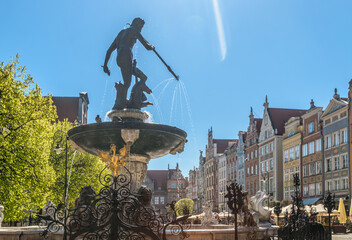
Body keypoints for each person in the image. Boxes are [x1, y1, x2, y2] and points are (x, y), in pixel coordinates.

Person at [103, 17, 154, 109]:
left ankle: (135, 98)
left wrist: (105, 65)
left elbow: (109, 51)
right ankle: (121, 105)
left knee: (143, 77)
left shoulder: (121, 33)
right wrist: (152, 47)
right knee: (127, 83)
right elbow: (147, 46)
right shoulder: (135, 31)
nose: (141, 29)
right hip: (126, 55)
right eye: (141, 27)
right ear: (137, 24)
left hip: (120, 58)